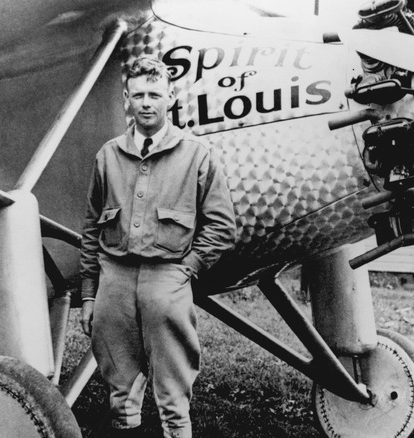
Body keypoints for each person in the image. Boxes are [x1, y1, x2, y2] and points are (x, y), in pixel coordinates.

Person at [78, 55, 237, 438]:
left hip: (168, 278)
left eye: (154, 94)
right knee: (120, 385)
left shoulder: (197, 155)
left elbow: (222, 226)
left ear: (169, 97)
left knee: (173, 386)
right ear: (126, 101)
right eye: (138, 95)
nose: (146, 102)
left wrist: (188, 268)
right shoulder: (108, 156)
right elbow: (89, 229)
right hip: (113, 281)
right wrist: (88, 296)